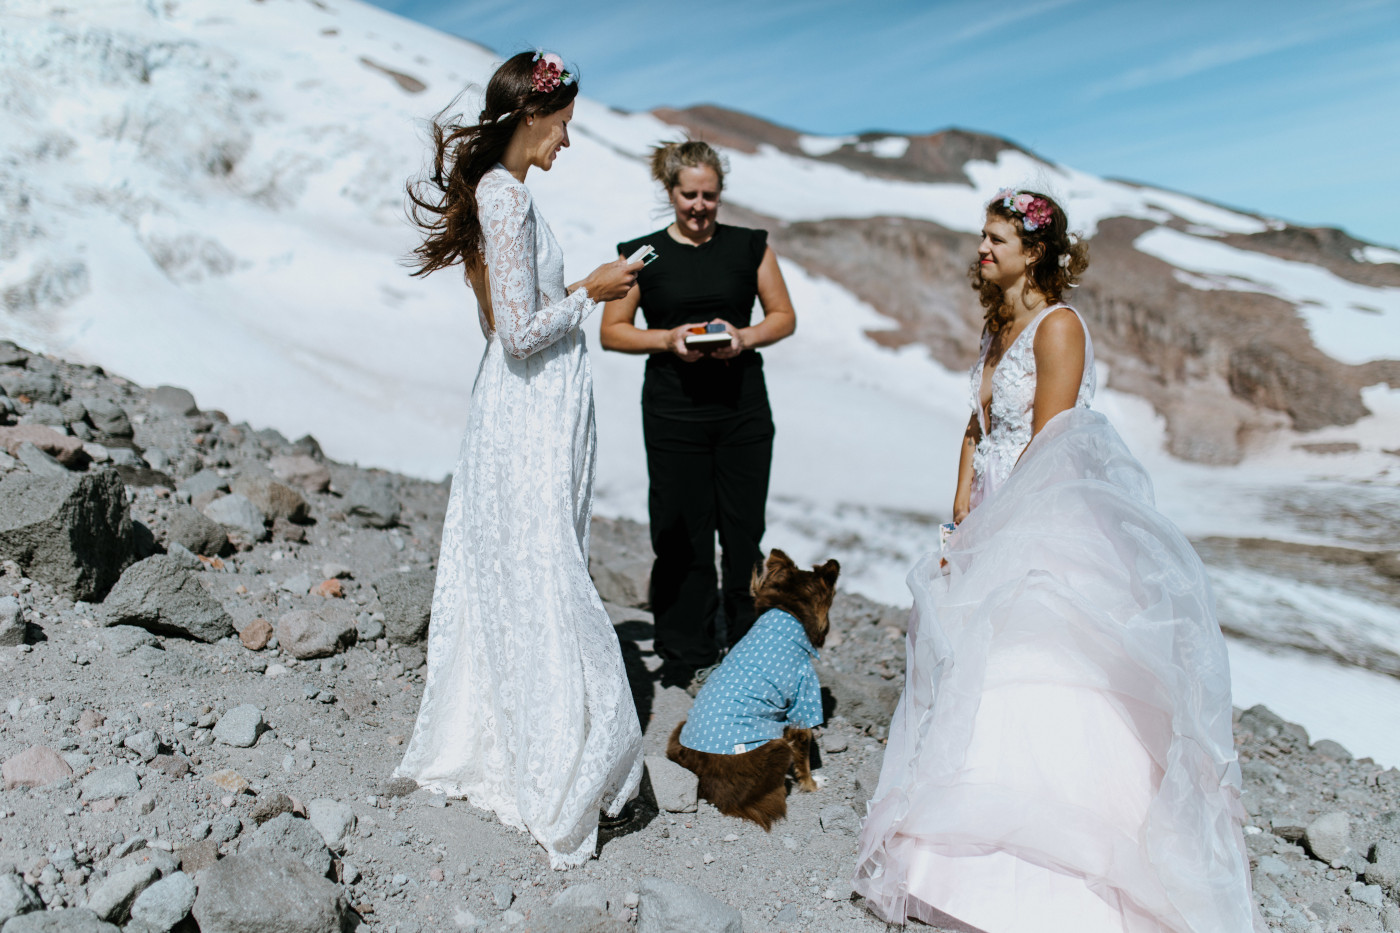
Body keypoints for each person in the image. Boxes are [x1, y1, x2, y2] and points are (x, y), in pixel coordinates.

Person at [852, 189, 1258, 931]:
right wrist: (959, 515)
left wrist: (1001, 529)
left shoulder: (1058, 327)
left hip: (1044, 519)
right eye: (982, 235)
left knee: (1034, 672)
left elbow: (1051, 443)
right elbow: (976, 429)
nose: (982, 248)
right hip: (988, 518)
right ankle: (951, 855)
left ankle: (1062, 875)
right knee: (971, 670)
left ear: (1034, 251)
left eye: (996, 238)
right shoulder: (995, 328)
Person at [393, 50, 645, 870]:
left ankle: (520, 733)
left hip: (529, 408)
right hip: (527, 410)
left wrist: (574, 293)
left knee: (529, 564)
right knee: (542, 568)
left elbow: (510, 316)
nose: (567, 142)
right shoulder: (504, 199)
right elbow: (518, 333)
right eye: (564, 125)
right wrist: (595, 290)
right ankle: (543, 755)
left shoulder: (504, 198)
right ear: (532, 117)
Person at [599, 141, 796, 688]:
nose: (700, 206)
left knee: (742, 534)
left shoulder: (749, 246)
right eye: (690, 195)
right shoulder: (645, 254)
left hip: (742, 412)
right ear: (670, 192)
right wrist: (668, 338)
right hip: (673, 414)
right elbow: (611, 331)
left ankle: (748, 646)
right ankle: (685, 655)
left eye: (710, 195)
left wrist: (744, 336)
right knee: (680, 533)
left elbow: (783, 316)